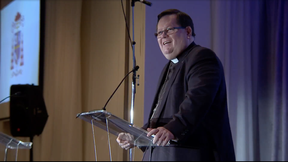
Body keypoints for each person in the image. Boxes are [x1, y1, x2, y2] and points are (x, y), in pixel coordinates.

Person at [116, 8, 236, 161]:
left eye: (169, 30)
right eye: (159, 33)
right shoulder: (169, 67)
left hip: (196, 155)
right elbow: (160, 117)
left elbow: (197, 101)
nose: (163, 36)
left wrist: (173, 129)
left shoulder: (202, 57)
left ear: (187, 31)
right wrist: (137, 136)